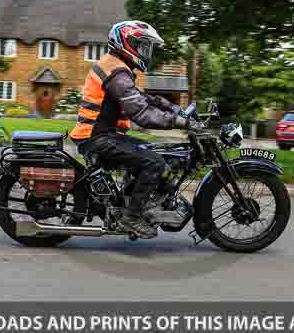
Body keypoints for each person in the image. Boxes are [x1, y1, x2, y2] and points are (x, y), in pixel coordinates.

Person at [69, 20, 198, 238]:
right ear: (127, 44)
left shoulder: (117, 67)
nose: (146, 52)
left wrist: (175, 109)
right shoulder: (117, 71)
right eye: (142, 46)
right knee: (154, 162)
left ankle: (131, 200)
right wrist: (180, 122)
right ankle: (132, 216)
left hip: (101, 135)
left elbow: (143, 98)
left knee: (152, 152)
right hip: (98, 138)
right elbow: (141, 113)